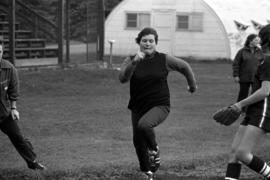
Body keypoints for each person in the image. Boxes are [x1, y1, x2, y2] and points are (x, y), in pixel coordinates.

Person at [119, 27, 197, 179]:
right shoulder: (130, 59)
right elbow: (122, 79)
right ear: (139, 42)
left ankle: (154, 150)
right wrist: (134, 63)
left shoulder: (164, 59)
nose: (147, 44)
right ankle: (147, 173)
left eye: (151, 41)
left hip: (160, 105)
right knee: (138, 141)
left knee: (144, 125)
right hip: (138, 106)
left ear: (155, 43)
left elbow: (184, 66)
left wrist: (192, 86)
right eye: (144, 41)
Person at [224, 24, 270, 180]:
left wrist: (240, 104)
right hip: (253, 110)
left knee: (243, 153)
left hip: (263, 111)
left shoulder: (268, 62)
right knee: (234, 153)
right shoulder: (263, 60)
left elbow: (265, 91)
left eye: (259, 38)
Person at [0, 44, 46, 170]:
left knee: (18, 137)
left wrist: (14, 109)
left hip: (4, 114)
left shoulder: (9, 69)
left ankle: (34, 163)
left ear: (2, 52)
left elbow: (13, 92)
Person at [233, 34, 263, 103]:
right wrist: (236, 75)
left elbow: (263, 62)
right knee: (243, 95)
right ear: (250, 41)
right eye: (256, 40)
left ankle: (253, 111)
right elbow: (236, 64)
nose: (258, 42)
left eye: (258, 40)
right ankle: (239, 110)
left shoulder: (260, 51)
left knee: (256, 95)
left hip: (256, 77)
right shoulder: (242, 51)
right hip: (244, 77)